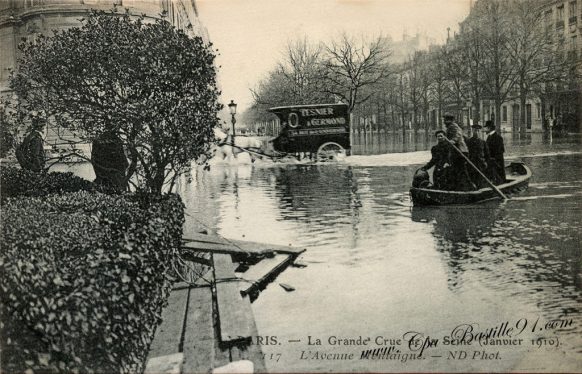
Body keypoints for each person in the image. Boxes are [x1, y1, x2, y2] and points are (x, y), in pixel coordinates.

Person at [443, 113, 475, 191]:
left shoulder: (453, 126)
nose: (443, 121)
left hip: (460, 152)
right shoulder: (450, 127)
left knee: (461, 170)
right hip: (457, 152)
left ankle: (470, 187)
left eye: (445, 120)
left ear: (448, 120)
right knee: (458, 170)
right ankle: (461, 187)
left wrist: (453, 140)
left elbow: (458, 134)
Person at [466, 123, 490, 189]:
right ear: (472, 131)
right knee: (472, 178)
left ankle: (481, 190)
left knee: (481, 179)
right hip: (471, 164)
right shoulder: (468, 142)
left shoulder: (483, 142)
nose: (476, 132)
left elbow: (487, 154)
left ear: (480, 131)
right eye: (475, 130)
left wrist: (486, 163)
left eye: (478, 130)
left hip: (481, 164)